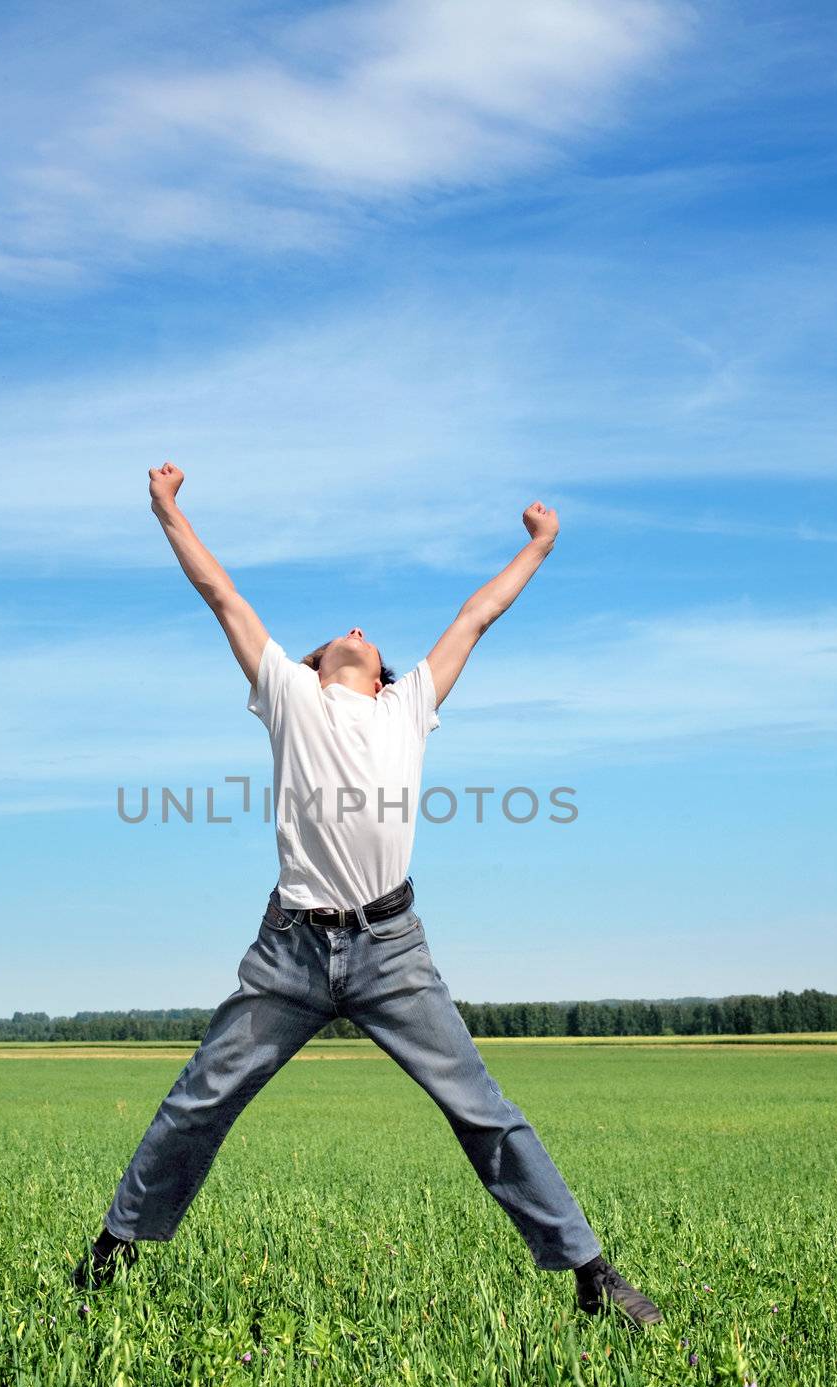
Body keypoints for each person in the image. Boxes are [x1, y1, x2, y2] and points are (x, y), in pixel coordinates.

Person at [71, 461, 662, 1327]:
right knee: (199, 1099)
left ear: (383, 676)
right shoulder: (289, 696)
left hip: (390, 949)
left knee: (482, 1112)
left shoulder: (408, 704)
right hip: (291, 954)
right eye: (337, 634)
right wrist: (166, 510)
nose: (352, 629)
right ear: (313, 670)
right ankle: (110, 1256)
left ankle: (590, 1275)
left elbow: (476, 614)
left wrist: (537, 546)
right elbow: (222, 596)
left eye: (366, 634)